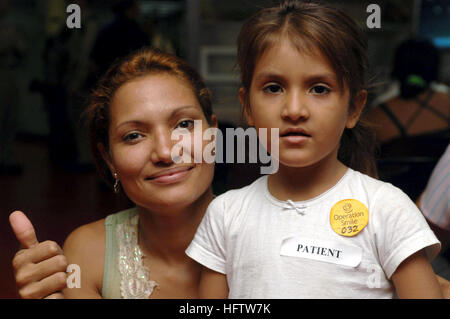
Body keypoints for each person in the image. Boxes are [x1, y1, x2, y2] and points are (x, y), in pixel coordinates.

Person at [185, 1, 444, 298]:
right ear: (248, 108)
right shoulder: (226, 215)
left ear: (354, 108)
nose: (294, 110)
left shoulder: (387, 210)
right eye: (273, 88)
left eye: (319, 89)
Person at [10, 47, 217, 298]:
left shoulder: (271, 236)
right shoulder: (88, 254)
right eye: (134, 136)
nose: (165, 152)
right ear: (110, 160)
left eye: (184, 124)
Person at [364, 38, 449, 201]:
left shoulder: (375, 117)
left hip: (392, 203)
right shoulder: (446, 104)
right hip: (441, 202)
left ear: (396, 66)